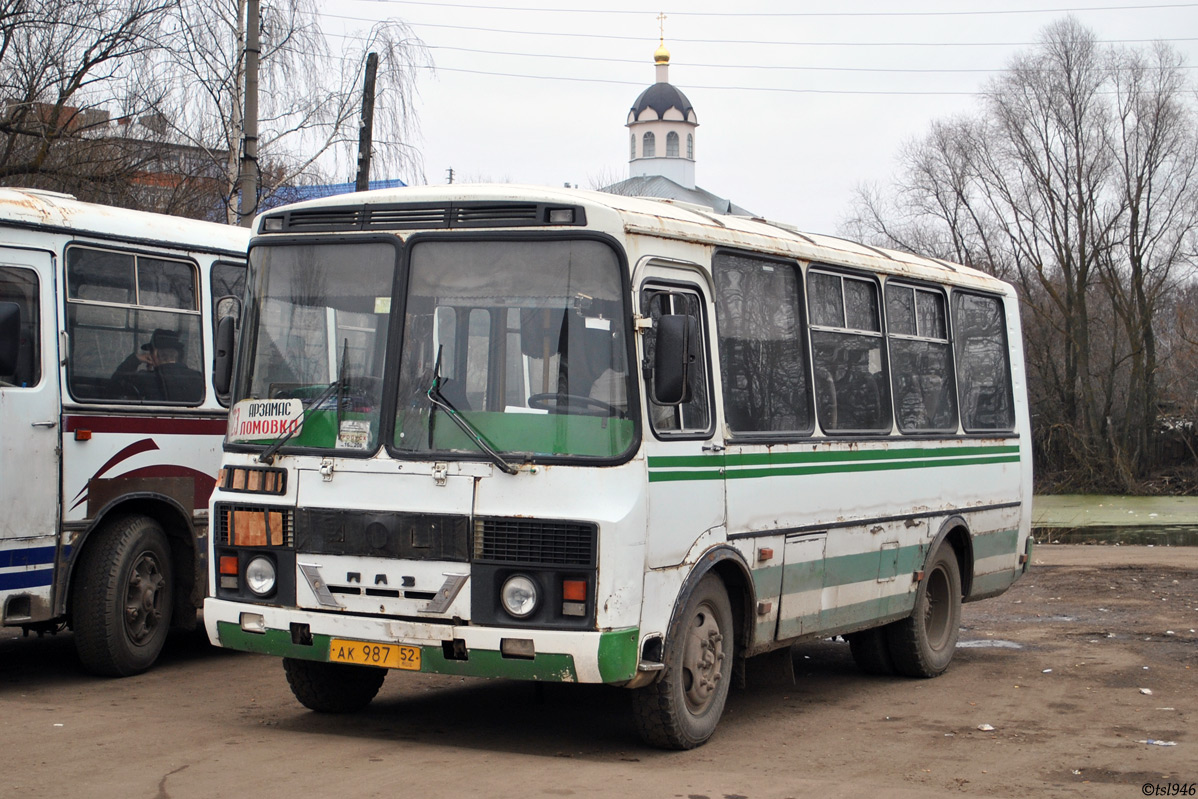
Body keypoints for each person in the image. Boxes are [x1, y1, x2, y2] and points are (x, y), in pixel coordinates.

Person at [111, 328, 203, 402]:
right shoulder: (198, 378)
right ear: (178, 355)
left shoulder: (143, 379)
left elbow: (113, 388)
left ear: (154, 354)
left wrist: (135, 359)